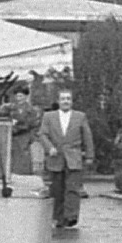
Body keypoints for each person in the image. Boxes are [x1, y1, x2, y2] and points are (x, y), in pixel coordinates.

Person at [38, 88, 99, 229]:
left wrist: (89, 156)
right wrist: (49, 148)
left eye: (68, 99)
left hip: (74, 158)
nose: (66, 101)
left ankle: (71, 216)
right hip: (56, 157)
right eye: (63, 99)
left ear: (71, 102)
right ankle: (58, 218)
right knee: (57, 189)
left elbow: (87, 137)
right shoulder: (49, 116)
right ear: (58, 101)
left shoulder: (80, 116)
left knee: (73, 188)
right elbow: (42, 135)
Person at [7, 85, 43, 176]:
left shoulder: (31, 110)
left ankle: (24, 175)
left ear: (26, 97)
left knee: (23, 158)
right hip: (12, 137)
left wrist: (18, 127)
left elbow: (32, 124)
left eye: (21, 96)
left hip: (24, 137)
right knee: (12, 157)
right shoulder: (11, 108)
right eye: (17, 96)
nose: (18, 98)